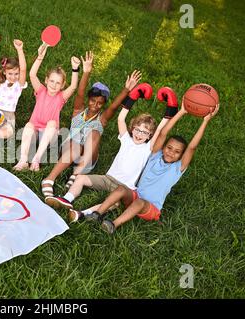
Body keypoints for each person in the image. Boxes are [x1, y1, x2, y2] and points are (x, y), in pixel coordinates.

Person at [80, 101, 219, 234]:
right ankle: (97, 214)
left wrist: (205, 121)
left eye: (177, 152)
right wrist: (181, 112)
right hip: (135, 197)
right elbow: (163, 133)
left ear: (181, 156)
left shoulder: (178, 168)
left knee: (140, 202)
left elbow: (192, 147)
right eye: (169, 148)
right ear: (163, 147)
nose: (171, 152)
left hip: (150, 208)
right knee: (122, 189)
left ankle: (113, 224)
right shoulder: (154, 156)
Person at [48, 85, 177, 218]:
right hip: (107, 178)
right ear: (132, 129)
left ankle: (82, 213)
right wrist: (133, 96)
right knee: (80, 179)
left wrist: (170, 109)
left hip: (125, 187)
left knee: (114, 203)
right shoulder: (126, 139)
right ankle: (66, 200)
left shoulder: (147, 148)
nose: (139, 134)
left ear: (150, 135)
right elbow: (121, 119)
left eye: (144, 132)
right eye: (137, 130)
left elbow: (162, 131)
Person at [40, 51, 142, 201]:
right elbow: (80, 93)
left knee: (94, 133)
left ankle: (76, 173)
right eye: (93, 101)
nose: (95, 105)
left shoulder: (102, 119)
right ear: (89, 99)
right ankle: (49, 179)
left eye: (100, 103)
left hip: (86, 159)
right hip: (69, 151)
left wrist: (127, 89)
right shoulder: (78, 111)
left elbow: (114, 107)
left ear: (103, 104)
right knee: (75, 145)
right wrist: (86, 72)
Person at [13, 44, 80, 172]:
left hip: (50, 135)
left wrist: (75, 69)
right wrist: (40, 57)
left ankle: (36, 159)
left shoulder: (61, 97)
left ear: (62, 85)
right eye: (52, 81)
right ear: (46, 80)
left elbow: (73, 87)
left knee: (52, 123)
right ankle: (23, 161)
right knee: (28, 125)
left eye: (58, 83)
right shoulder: (40, 90)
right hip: (35, 133)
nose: (54, 85)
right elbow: (32, 75)